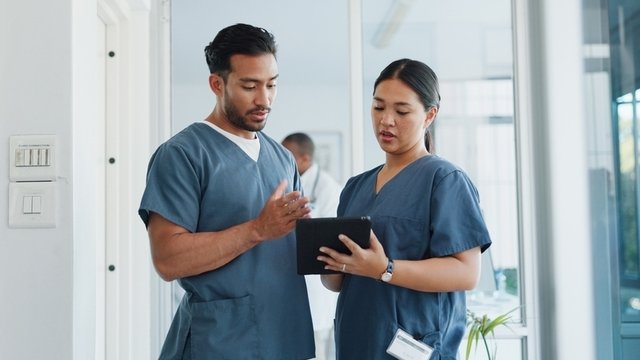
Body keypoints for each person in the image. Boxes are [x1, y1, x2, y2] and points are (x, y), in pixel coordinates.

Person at [138, 23, 315, 359]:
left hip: (285, 335)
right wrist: (256, 230)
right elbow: (167, 259)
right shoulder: (182, 155)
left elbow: (291, 245)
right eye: (249, 86)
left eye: (271, 85)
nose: (264, 99)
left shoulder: (282, 158)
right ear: (216, 84)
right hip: (222, 342)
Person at [319, 58, 492, 359]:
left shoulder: (445, 180)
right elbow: (337, 282)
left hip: (412, 347)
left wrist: (385, 269)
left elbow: (467, 273)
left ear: (429, 115)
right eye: (378, 107)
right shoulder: (355, 187)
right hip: (357, 342)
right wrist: (327, 259)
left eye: (401, 111)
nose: (386, 120)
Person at [282, 133, 342, 360]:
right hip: (288, 282)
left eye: (289, 156)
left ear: (305, 159)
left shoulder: (328, 189)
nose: (283, 160)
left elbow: (327, 237)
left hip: (316, 289)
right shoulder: (287, 182)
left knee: (315, 352)